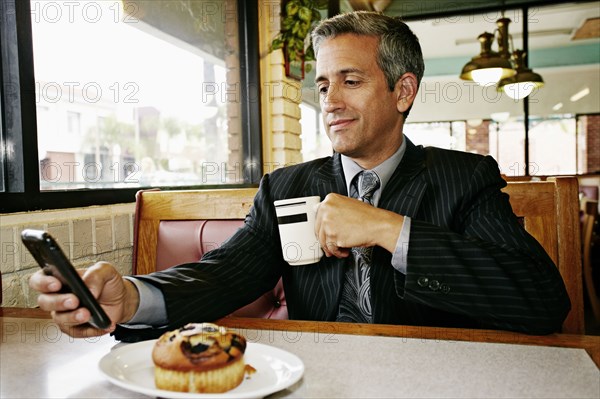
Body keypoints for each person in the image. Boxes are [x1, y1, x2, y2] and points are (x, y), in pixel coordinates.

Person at [30, 11, 570, 339]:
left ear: (402, 91)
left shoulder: (465, 177)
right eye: (323, 85)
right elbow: (225, 274)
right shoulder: (287, 187)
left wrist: (388, 229)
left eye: (350, 80)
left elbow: (542, 300)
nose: (330, 101)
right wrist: (131, 297)